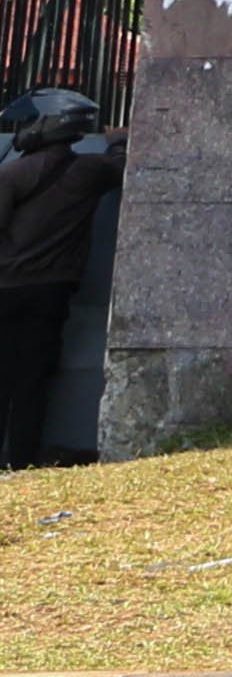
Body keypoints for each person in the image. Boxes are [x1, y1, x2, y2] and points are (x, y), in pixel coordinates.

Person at [0, 89, 116, 470]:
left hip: (7, 288)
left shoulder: (13, 172)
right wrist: (119, 140)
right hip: (52, 291)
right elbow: (124, 163)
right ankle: (23, 461)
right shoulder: (89, 171)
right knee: (33, 380)